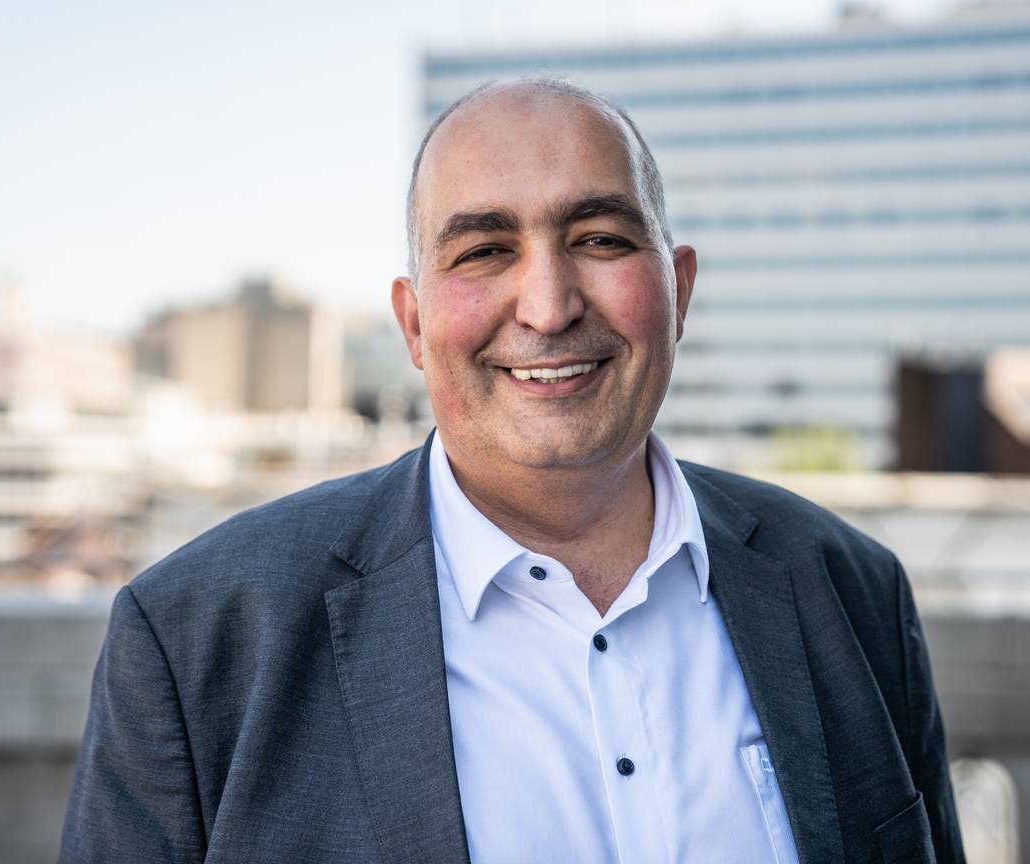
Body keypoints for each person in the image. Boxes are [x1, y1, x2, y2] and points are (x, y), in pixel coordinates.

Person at [60, 78, 965, 864]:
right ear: (413, 326)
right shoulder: (199, 638)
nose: (548, 304)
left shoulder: (849, 589)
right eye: (485, 250)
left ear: (680, 290)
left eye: (602, 238)